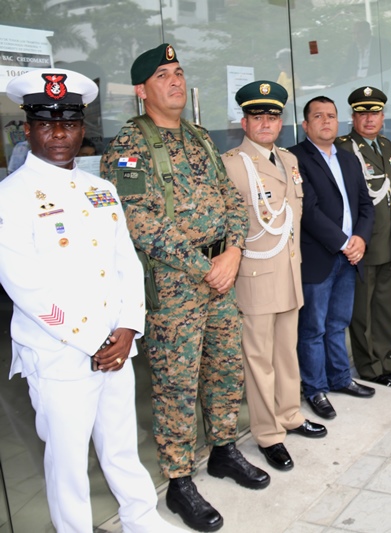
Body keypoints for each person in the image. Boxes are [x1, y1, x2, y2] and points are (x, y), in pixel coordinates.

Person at [0, 68, 181, 533]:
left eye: (69, 123)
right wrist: (93, 339)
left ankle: (142, 519)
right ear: (28, 130)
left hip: (115, 346)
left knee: (121, 446)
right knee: (68, 464)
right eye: (46, 124)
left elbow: (127, 264)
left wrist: (128, 328)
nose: (59, 134)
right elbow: (25, 286)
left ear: (82, 129)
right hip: (60, 354)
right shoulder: (11, 197)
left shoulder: (101, 190)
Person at [101, 43, 269, 532]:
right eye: (162, 76)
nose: (175, 81)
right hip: (175, 287)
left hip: (221, 275)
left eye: (178, 72)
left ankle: (223, 451)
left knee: (224, 369)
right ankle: (178, 481)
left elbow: (231, 200)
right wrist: (204, 267)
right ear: (141, 90)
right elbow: (139, 222)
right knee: (176, 385)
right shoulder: (129, 147)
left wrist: (233, 252)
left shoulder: (198, 136)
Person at [222, 80, 328, 474]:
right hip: (255, 274)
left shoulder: (288, 159)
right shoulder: (231, 164)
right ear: (244, 123)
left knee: (286, 352)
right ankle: (268, 434)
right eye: (257, 117)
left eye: (272, 116)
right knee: (259, 360)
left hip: (288, 271)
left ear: (281, 122)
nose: (265, 123)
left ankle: (290, 415)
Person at [288, 96, 376, 420]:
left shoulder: (349, 159)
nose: (326, 121)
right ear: (305, 124)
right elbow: (307, 210)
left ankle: (339, 378)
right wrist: (343, 243)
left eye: (331, 115)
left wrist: (360, 239)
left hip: (349, 257)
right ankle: (315, 388)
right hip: (319, 257)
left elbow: (366, 205)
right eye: (318, 116)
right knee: (313, 328)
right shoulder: (295, 158)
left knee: (338, 323)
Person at [335, 87, 391, 387]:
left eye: (375, 113)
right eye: (363, 114)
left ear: (383, 117)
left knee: (385, 308)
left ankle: (385, 359)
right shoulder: (343, 148)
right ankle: (369, 367)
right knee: (363, 312)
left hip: (389, 241)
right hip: (365, 243)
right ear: (353, 117)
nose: (369, 119)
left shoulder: (385, 145)